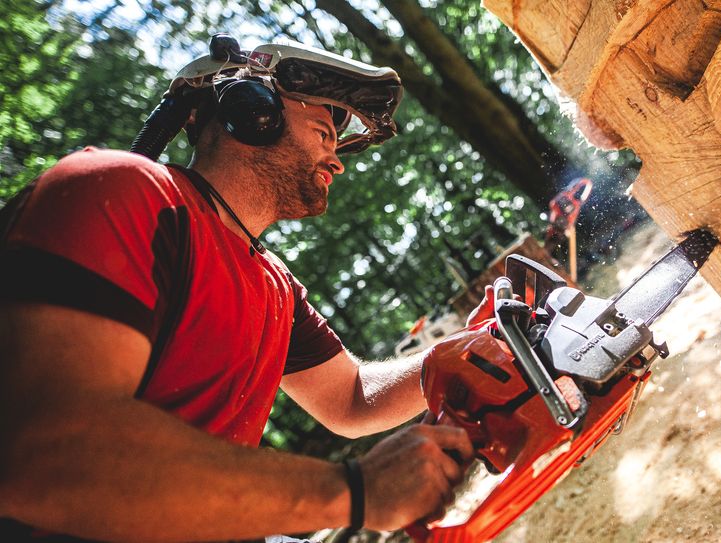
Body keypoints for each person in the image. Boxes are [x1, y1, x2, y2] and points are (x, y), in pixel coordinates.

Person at [0, 38, 486, 541]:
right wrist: (353, 492)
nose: (337, 162)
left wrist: (456, 358)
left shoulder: (274, 283)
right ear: (253, 112)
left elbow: (351, 399)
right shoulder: (123, 190)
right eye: (323, 131)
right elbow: (47, 451)